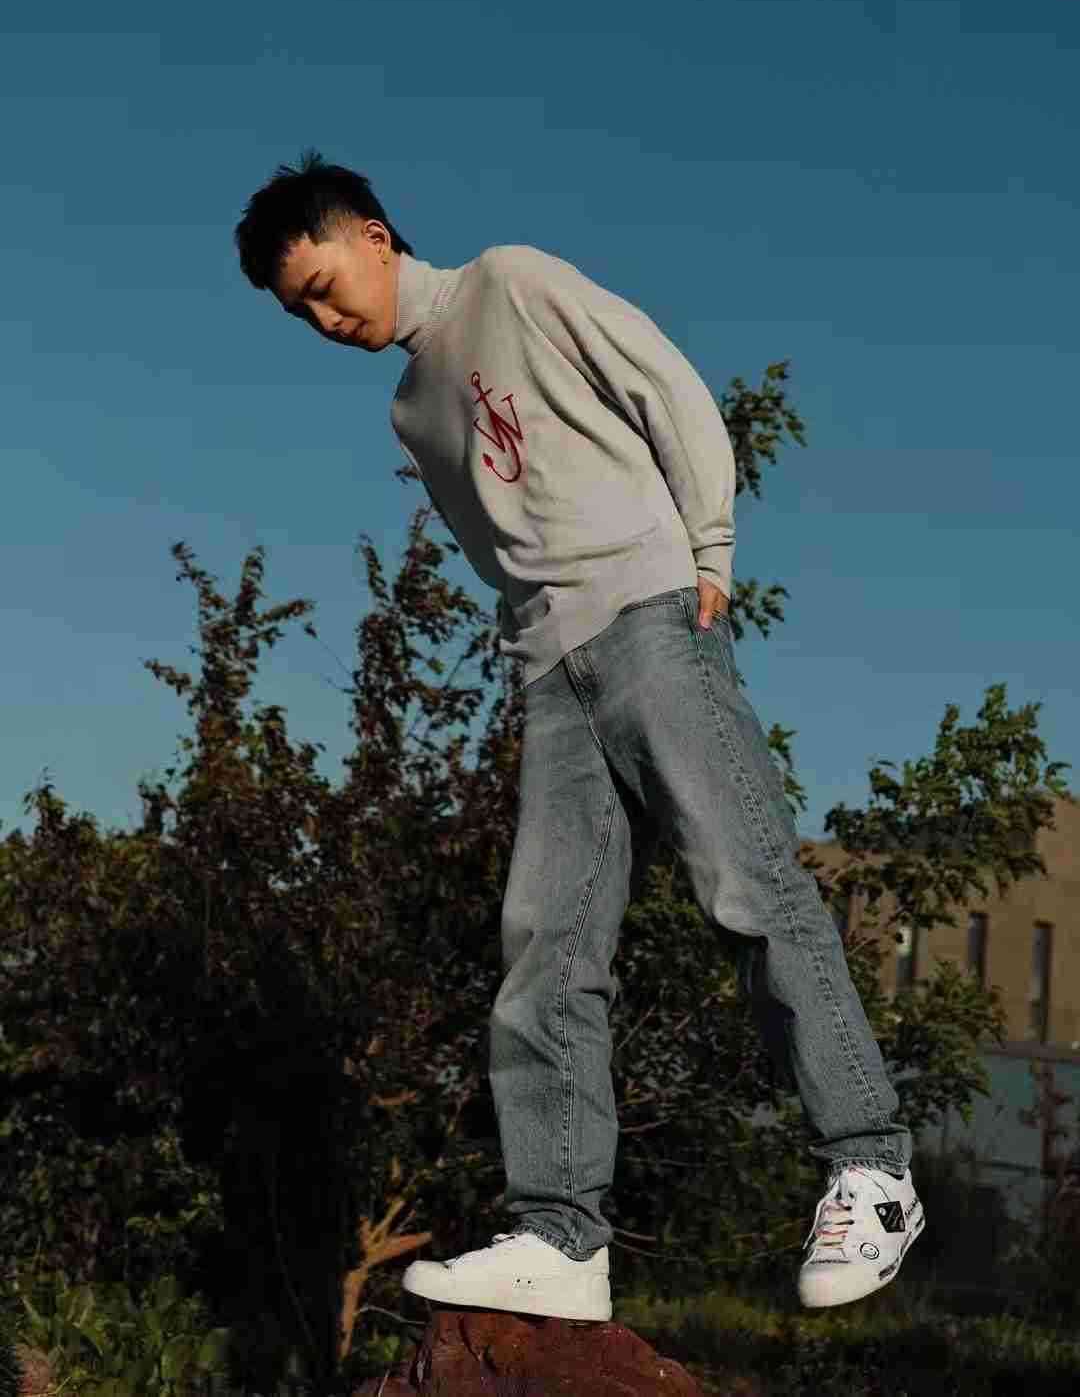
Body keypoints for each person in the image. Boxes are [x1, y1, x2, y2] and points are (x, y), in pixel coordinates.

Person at [234, 151, 925, 1318]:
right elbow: (502, 553)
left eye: (323, 285)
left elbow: (667, 386)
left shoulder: (511, 282)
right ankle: (561, 1238)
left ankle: (873, 1167)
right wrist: (533, 663)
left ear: (376, 238)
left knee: (748, 888)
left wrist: (709, 551)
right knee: (545, 951)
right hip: (553, 677)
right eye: (299, 311)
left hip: (650, 619)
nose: (324, 319)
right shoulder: (411, 411)